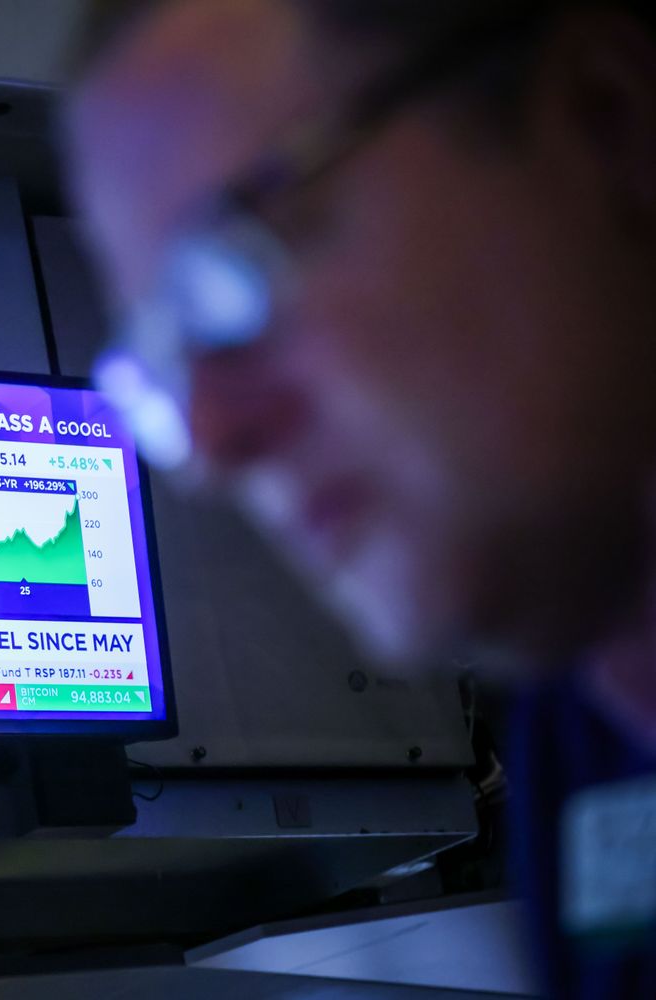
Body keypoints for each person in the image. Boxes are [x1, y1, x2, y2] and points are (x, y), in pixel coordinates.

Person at [63, 0, 656, 995]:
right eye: (163, 359)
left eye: (236, 265)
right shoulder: (583, 742)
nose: (209, 442)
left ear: (610, 120)